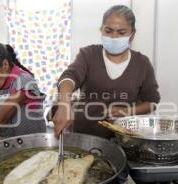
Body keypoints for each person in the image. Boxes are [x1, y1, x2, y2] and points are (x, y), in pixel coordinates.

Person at [53, 5, 160, 139]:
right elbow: (70, 77)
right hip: (85, 135)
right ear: (101, 29)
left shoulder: (142, 63)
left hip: (124, 138)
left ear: (132, 34)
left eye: (121, 33)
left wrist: (126, 111)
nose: (114, 37)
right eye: (108, 31)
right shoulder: (88, 55)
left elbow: (152, 101)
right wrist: (64, 105)